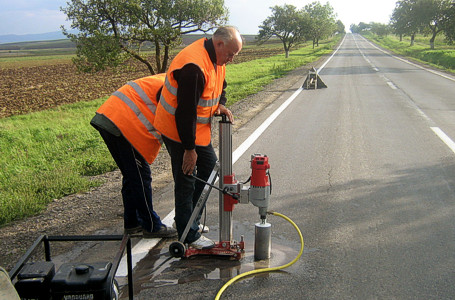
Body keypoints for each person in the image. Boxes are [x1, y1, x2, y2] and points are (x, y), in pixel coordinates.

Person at [154, 26, 243, 249]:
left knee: (210, 167)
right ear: (219, 43)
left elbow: (221, 83)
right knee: (187, 176)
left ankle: (189, 220)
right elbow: (185, 112)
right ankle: (188, 236)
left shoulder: (216, 59)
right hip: (177, 130)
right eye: (231, 54)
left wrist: (220, 104)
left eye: (235, 55)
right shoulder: (194, 66)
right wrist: (189, 150)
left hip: (195, 131)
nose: (231, 60)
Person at [90, 73, 177, 238]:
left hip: (110, 118)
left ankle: (132, 223)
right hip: (123, 124)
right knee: (140, 177)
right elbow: (169, 118)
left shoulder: (172, 78)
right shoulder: (175, 87)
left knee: (131, 176)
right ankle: (151, 225)